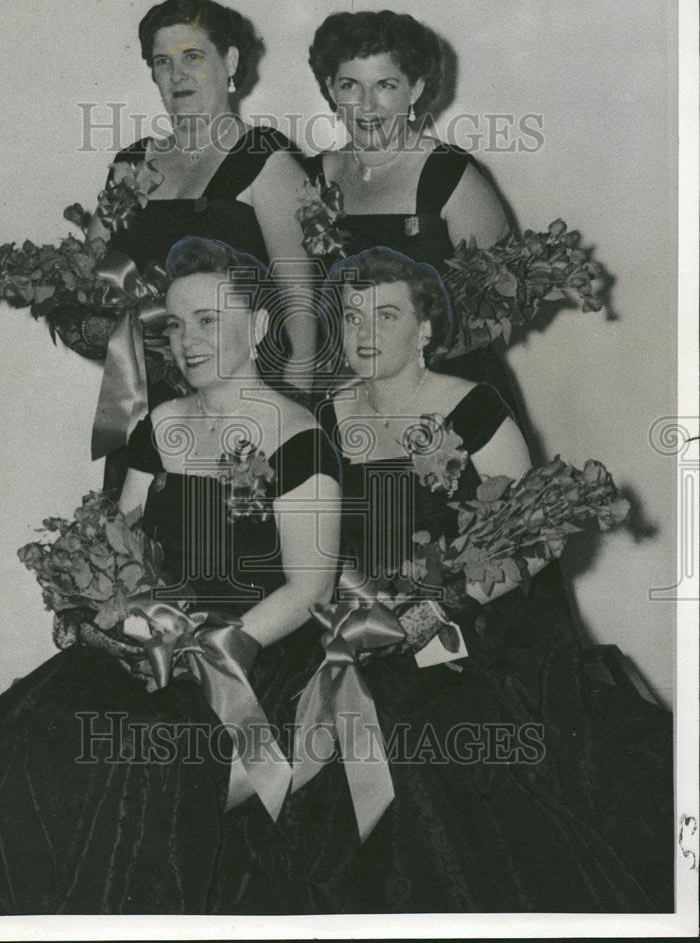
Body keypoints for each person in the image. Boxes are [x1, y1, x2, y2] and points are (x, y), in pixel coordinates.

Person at [212, 247, 673, 914]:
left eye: (386, 314)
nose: (364, 332)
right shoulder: (325, 421)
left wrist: (435, 610)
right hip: (355, 621)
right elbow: (320, 544)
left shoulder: (475, 408)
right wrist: (360, 604)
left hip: (473, 630)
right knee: (267, 722)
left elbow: (534, 538)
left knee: (412, 728)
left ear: (427, 328)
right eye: (351, 316)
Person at [0, 237, 341, 915]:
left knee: (135, 761)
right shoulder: (160, 423)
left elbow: (310, 587)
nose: (187, 340)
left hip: (255, 654)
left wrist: (215, 648)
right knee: (15, 746)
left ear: (259, 327)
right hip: (150, 640)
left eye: (208, 319)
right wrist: (123, 615)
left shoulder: (300, 437)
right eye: (175, 324)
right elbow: (121, 540)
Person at [90, 0, 319, 495]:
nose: (177, 76)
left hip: (243, 402)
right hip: (144, 397)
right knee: (139, 551)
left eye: (193, 56)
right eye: (162, 61)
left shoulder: (268, 160)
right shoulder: (131, 164)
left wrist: (291, 415)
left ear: (230, 62)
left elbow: (303, 305)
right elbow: (93, 278)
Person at [304, 10, 521, 408]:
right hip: (348, 401)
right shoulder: (313, 177)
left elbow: (505, 303)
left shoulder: (451, 176)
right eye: (350, 85)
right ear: (331, 90)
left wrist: (411, 365)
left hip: (450, 397)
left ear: (415, 88)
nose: (367, 105)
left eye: (386, 85)